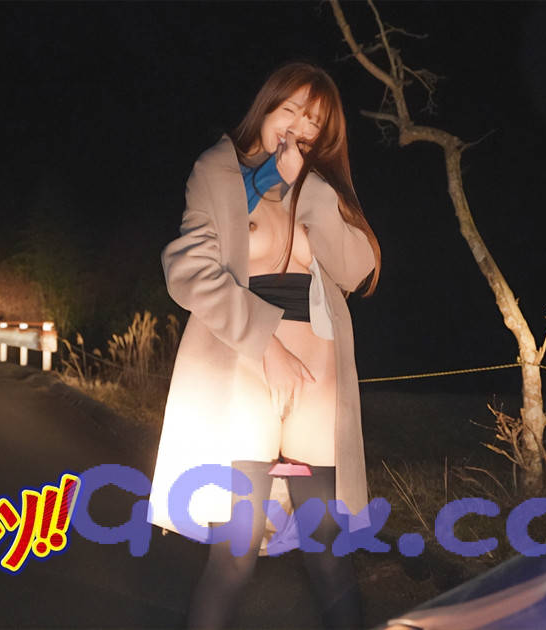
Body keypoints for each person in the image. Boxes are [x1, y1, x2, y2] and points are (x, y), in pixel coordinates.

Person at [148, 62, 381, 629]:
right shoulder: (218, 170)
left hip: (318, 377)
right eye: (291, 109)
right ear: (267, 106)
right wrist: (267, 348)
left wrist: (311, 189)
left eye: (315, 120)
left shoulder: (320, 186)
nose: (300, 125)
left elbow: (357, 271)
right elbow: (188, 271)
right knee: (236, 551)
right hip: (245, 368)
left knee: (328, 551)